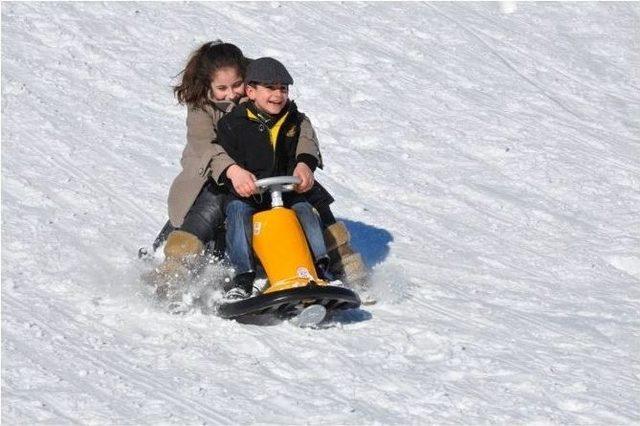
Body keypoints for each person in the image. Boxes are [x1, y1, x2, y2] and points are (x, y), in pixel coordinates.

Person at [150, 41, 365, 299]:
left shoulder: (262, 91)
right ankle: (172, 273)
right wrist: (232, 170)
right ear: (208, 87)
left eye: (236, 85)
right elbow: (205, 147)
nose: (231, 94)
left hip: (266, 173)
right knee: (212, 205)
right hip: (214, 173)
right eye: (221, 88)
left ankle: (342, 262)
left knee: (311, 196)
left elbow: (298, 124)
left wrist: (304, 162)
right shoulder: (201, 109)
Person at [214, 57, 332, 299]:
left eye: (283, 89)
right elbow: (224, 159)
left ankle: (320, 268)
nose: (278, 95)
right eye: (270, 88)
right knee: (237, 212)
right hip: (249, 194)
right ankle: (243, 276)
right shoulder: (232, 124)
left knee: (305, 210)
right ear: (251, 91)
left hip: (287, 191)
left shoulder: (294, 120)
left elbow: (306, 147)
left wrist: (305, 166)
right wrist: (237, 178)